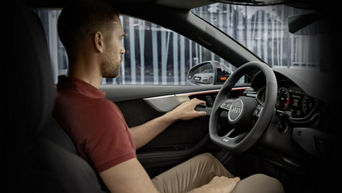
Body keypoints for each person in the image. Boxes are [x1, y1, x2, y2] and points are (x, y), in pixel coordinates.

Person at [54, 0, 284, 193]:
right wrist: (211, 190)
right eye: (120, 38)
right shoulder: (97, 111)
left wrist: (170, 117)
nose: (123, 49)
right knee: (268, 184)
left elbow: (118, 142)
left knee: (207, 163)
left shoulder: (66, 96)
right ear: (99, 41)